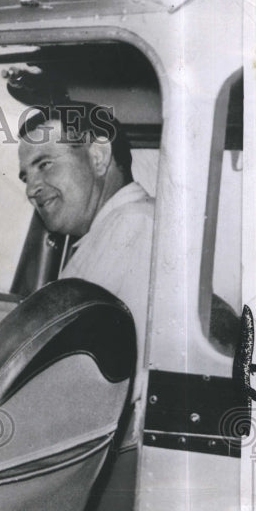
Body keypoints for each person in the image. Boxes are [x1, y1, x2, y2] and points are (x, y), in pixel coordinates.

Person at [17, 101, 154, 388]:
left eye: (45, 164)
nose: (31, 189)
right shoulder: (109, 232)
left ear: (98, 157)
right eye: (26, 177)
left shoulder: (135, 228)